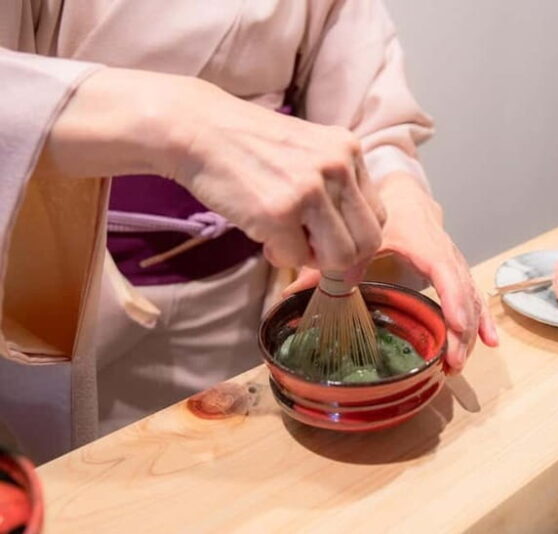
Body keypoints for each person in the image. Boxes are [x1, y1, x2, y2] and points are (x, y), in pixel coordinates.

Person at [0, 0, 498, 463]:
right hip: (68, 297)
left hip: (251, 290)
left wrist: (397, 192)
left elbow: (361, 90)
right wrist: (178, 123)